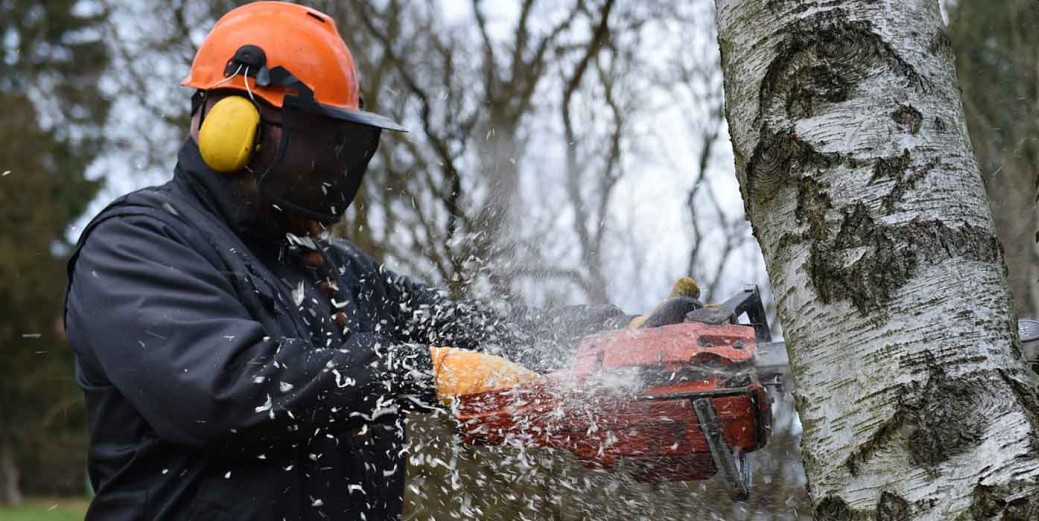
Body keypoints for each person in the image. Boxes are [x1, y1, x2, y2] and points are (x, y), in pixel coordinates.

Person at [62, 3, 628, 519]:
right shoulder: (138, 244)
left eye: (342, 147)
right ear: (231, 127)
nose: (331, 170)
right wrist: (421, 374)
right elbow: (227, 389)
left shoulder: (334, 268)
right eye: (316, 144)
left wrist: (612, 334)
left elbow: (470, 331)